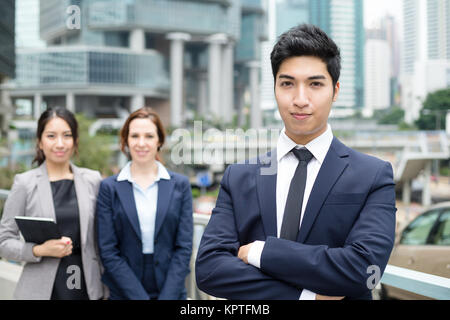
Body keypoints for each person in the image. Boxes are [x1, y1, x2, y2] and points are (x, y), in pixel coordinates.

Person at [195, 24, 397, 300]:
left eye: (315, 84)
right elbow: (209, 270)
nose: (300, 99)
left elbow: (365, 269)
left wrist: (262, 252)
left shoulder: (372, 175)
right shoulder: (239, 177)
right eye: (288, 83)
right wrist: (307, 297)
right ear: (275, 89)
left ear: (335, 90)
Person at [0, 107, 105, 300]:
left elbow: (103, 241)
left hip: (87, 288)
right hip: (42, 291)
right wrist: (38, 250)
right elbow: (4, 241)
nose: (60, 143)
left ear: (75, 141)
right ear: (40, 142)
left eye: (67, 135)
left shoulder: (93, 180)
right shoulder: (25, 183)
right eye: (51, 136)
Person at [96, 107, 193, 300]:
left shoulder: (180, 185)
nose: (141, 143)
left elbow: (183, 248)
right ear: (126, 141)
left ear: (159, 141)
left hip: (171, 290)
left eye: (149, 136)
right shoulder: (109, 188)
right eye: (135, 136)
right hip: (124, 291)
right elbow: (108, 251)